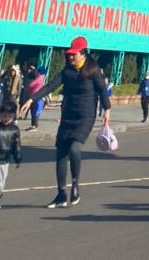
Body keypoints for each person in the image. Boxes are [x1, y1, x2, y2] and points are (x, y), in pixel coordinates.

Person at [21, 35, 110, 209]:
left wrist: (107, 110)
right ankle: (61, 194)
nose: (70, 57)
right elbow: (50, 86)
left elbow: (102, 90)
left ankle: (75, 185)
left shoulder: (93, 69)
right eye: (68, 54)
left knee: (75, 148)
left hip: (85, 116)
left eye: (73, 54)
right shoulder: (67, 71)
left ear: (83, 53)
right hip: (68, 114)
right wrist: (32, 99)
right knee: (61, 152)